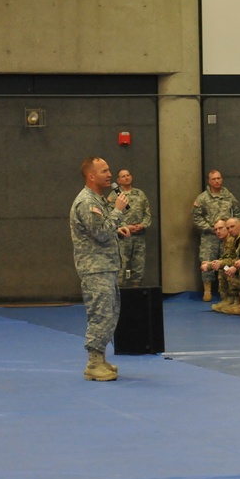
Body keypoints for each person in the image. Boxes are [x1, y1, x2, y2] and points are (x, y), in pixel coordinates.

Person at [70, 156, 129, 382]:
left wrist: (118, 229)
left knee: (110, 313)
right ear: (91, 176)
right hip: (95, 268)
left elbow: (104, 230)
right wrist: (117, 211)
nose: (109, 174)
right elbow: (101, 233)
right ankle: (93, 363)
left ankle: (101, 359)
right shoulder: (87, 202)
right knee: (100, 314)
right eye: (104, 171)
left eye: (109, 169)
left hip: (106, 266)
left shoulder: (98, 199)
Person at [192, 169, 240, 301]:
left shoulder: (229, 196)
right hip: (210, 237)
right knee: (207, 260)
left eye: (219, 178)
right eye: (214, 179)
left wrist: (231, 228)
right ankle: (207, 291)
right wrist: (210, 228)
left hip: (227, 236)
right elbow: (196, 217)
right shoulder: (202, 198)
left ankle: (227, 291)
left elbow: (237, 213)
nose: (217, 181)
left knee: (225, 261)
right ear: (209, 181)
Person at [108, 169, 151, 287]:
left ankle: (136, 292)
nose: (126, 178)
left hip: (139, 236)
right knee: (122, 266)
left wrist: (142, 225)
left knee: (139, 265)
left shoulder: (140, 194)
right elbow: (110, 216)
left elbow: (147, 214)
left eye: (128, 175)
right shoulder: (114, 196)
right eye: (123, 176)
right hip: (123, 237)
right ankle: (120, 293)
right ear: (118, 180)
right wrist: (125, 227)